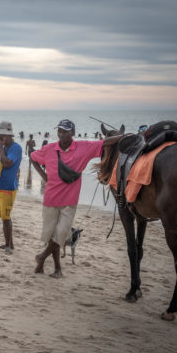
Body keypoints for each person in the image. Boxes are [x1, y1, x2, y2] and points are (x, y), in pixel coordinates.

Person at [30, 119, 120, 278]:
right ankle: (57, 269)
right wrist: (44, 176)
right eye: (59, 130)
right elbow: (33, 158)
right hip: (51, 198)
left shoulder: (83, 147)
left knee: (62, 233)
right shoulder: (49, 149)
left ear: (72, 133)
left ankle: (42, 257)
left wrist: (124, 137)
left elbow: (105, 142)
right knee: (52, 235)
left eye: (65, 131)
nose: (61, 133)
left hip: (69, 200)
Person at [0, 122, 23, 254]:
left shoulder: (16, 148)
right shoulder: (4, 148)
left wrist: (0, 148)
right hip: (0, 185)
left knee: (6, 218)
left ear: (5, 136)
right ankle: (9, 244)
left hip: (8, 187)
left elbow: (8, 163)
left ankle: (8, 247)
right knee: (5, 217)